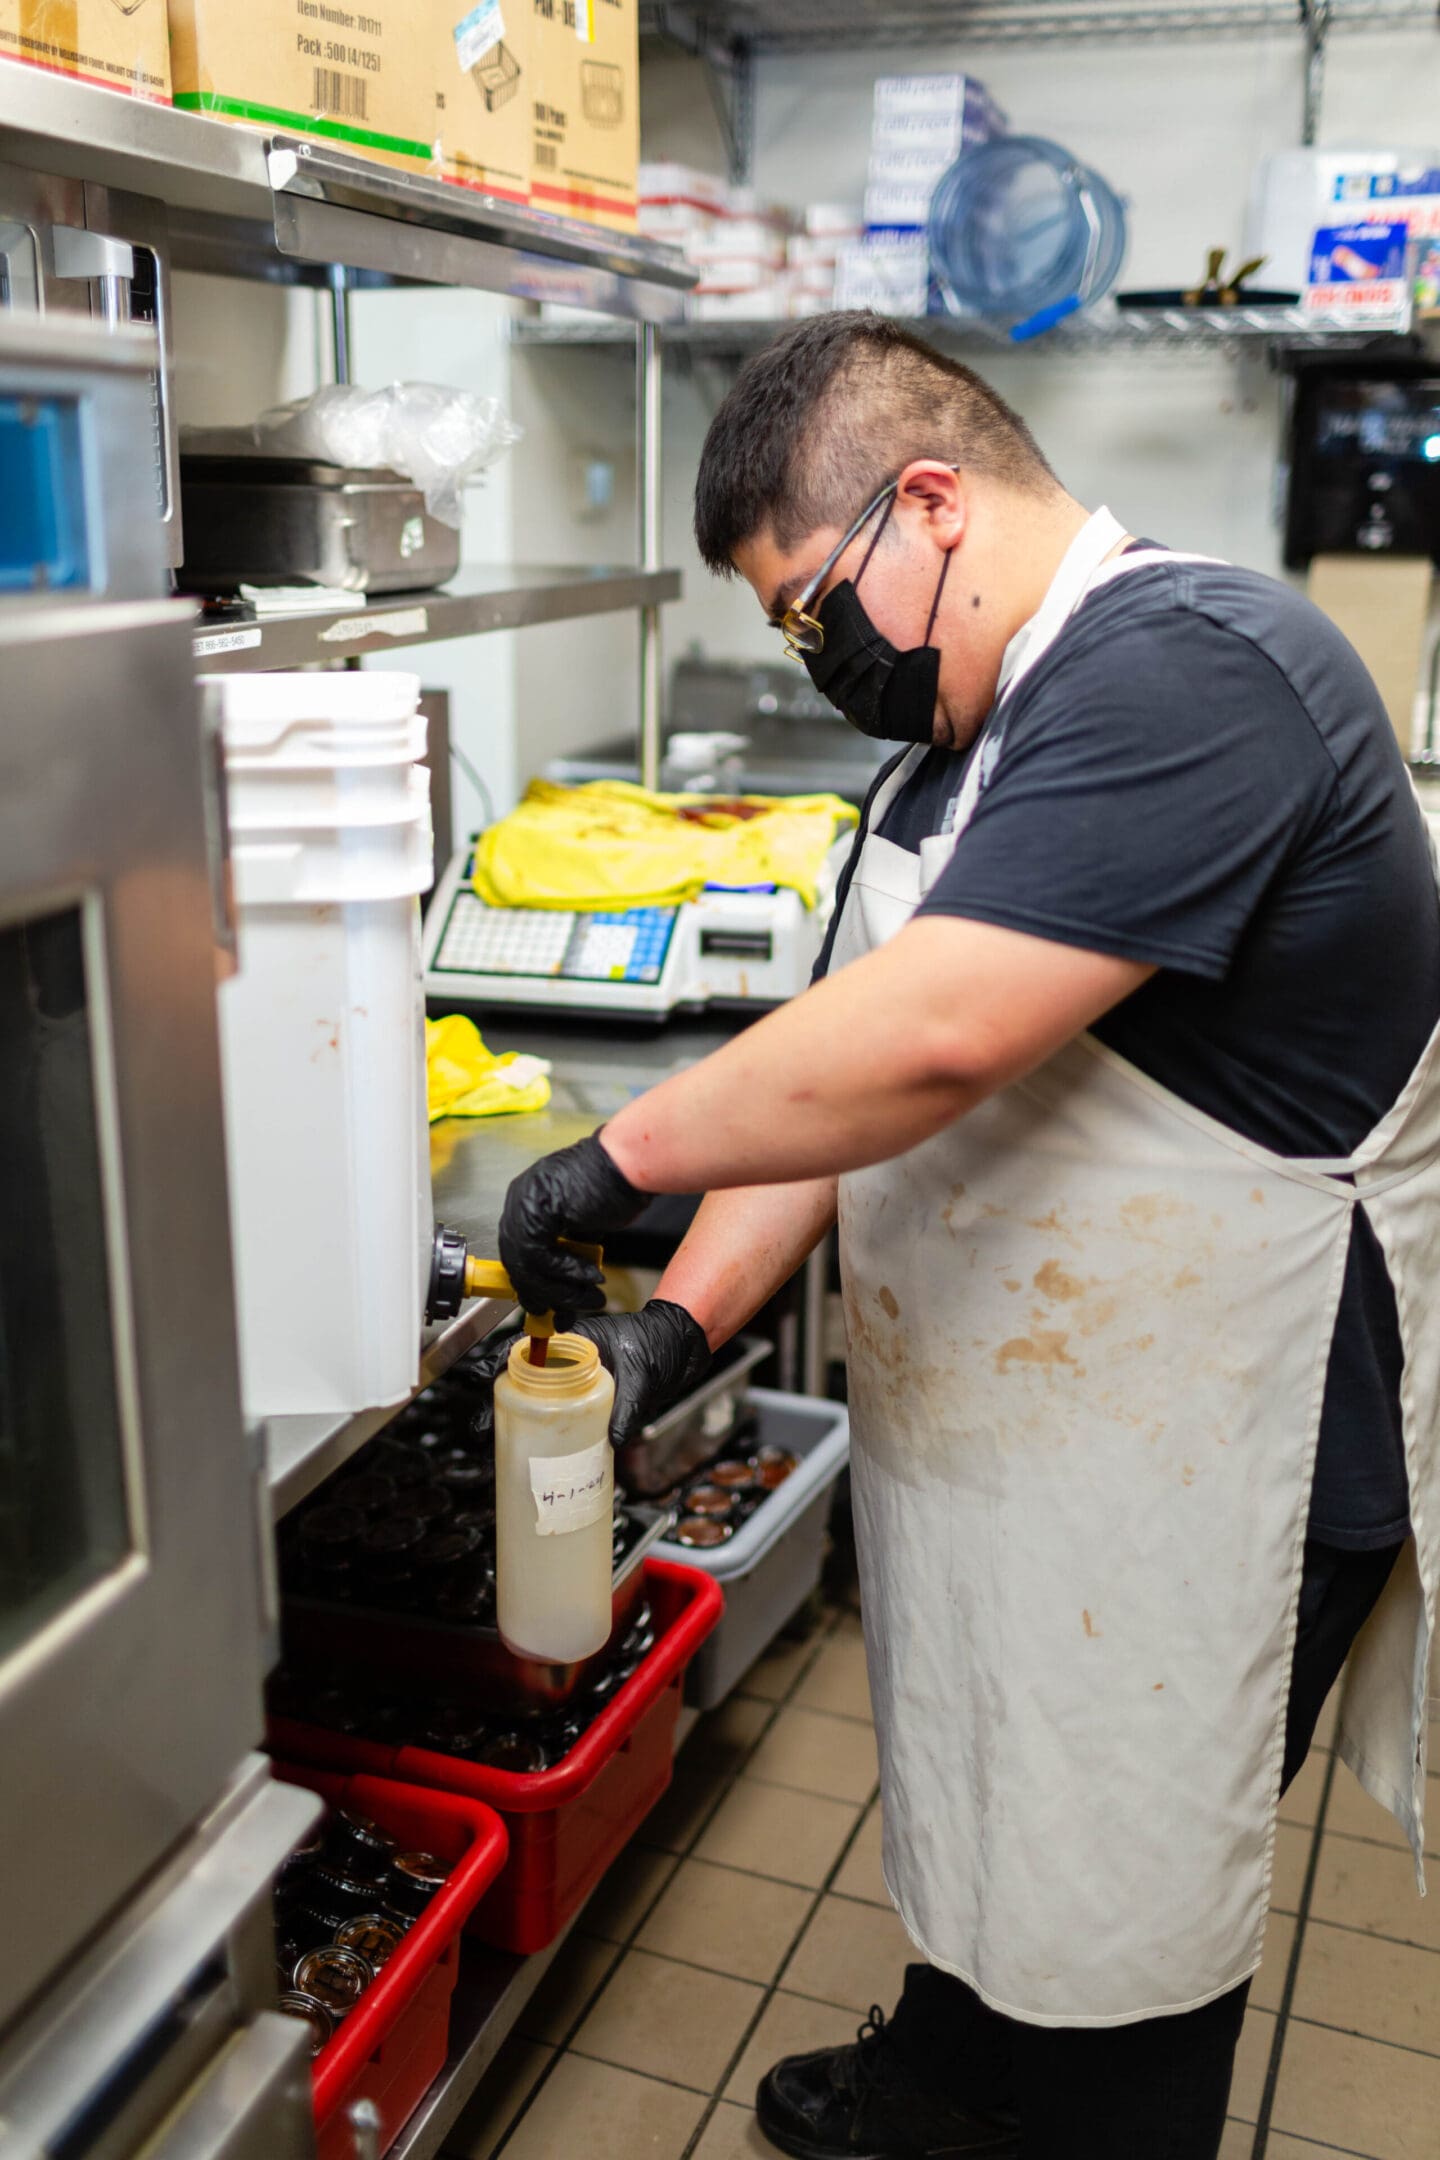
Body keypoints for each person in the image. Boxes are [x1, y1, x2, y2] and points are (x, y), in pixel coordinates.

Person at [469, 312, 1440, 2160]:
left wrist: (619, 1156)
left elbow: (934, 1040)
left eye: (811, 610)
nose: (812, 658)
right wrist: (676, 1329)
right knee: (994, 1778)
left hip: (1224, 1445)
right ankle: (947, 2078)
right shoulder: (955, 746)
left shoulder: (1198, 670)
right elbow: (836, 1085)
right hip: (1038, 1426)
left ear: (931, 505)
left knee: (1130, 1882)